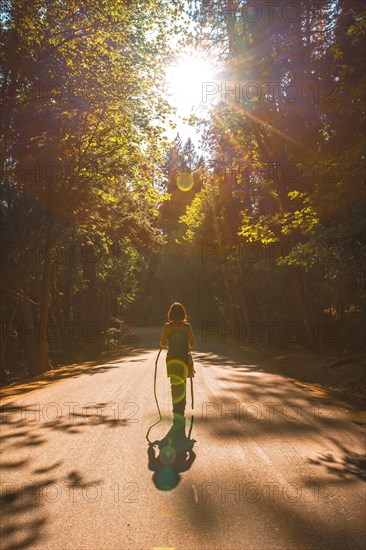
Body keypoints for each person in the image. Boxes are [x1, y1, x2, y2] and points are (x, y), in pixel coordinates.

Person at [160, 302, 196, 416]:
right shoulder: (187, 327)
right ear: (182, 314)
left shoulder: (167, 327)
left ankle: (176, 409)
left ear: (170, 314)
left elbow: (163, 343)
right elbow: (193, 344)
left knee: (174, 384)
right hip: (184, 359)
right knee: (183, 383)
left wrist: (162, 344)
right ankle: (181, 410)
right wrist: (186, 346)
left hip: (171, 360)